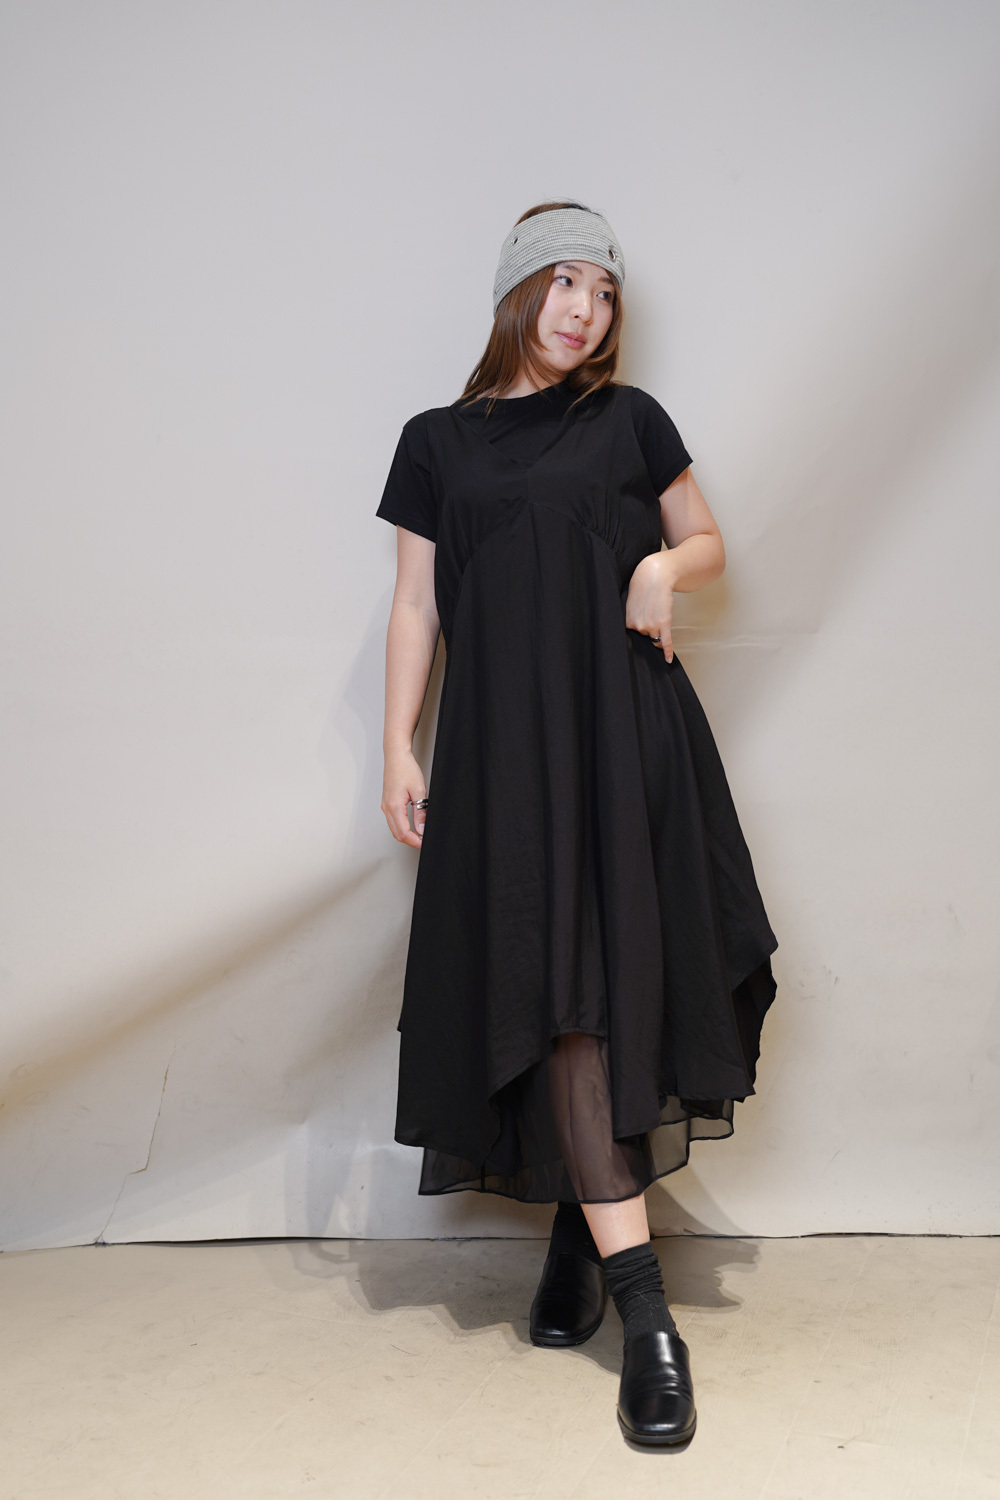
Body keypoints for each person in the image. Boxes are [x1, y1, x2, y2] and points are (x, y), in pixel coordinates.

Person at [376, 199, 778, 1448]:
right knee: (548, 991)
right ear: (517, 291)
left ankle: (642, 1317)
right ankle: (589, 1241)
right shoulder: (435, 442)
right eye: (563, 283)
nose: (584, 311)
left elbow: (705, 541)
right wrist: (396, 744)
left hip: (622, 743)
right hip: (503, 756)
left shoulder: (630, 421)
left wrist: (660, 568)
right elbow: (415, 605)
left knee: (594, 995)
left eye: (603, 293)